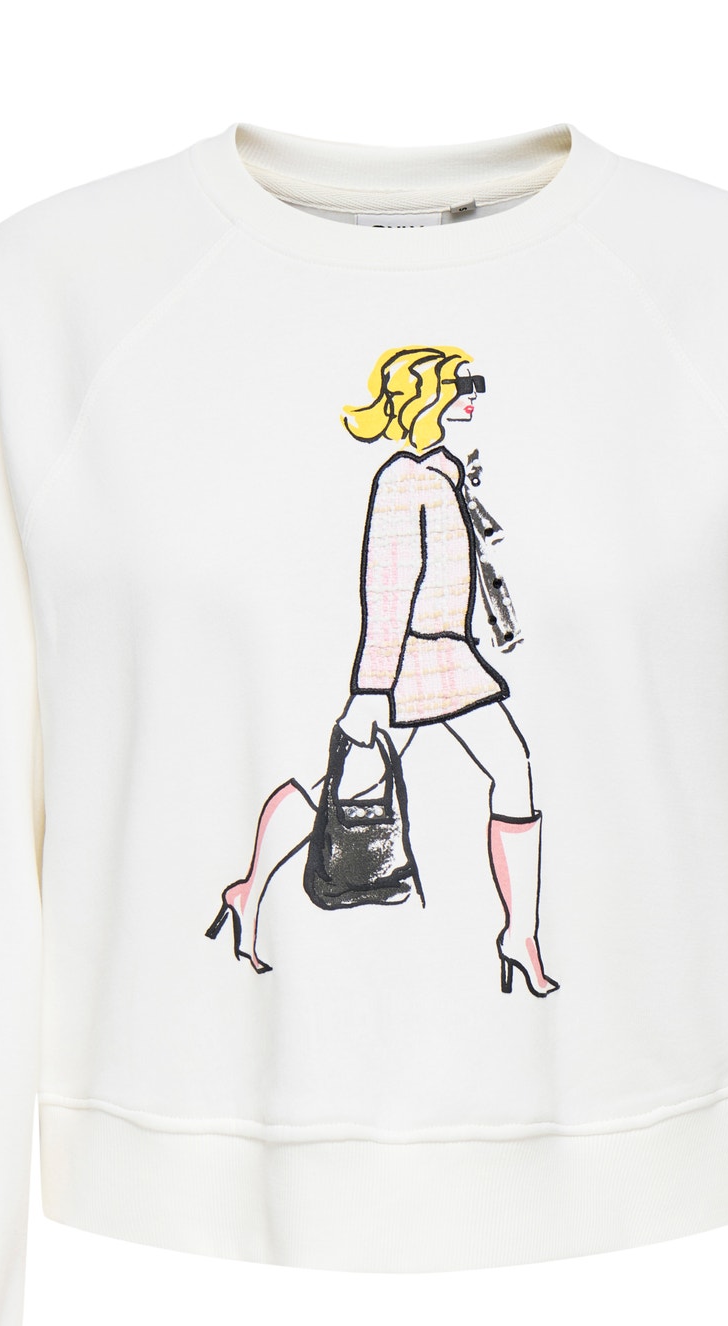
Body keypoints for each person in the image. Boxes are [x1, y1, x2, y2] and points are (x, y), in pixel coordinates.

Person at [205, 344, 559, 997]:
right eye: (460, 385)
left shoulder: (445, 468)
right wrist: (370, 689)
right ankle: (248, 889)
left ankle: (520, 933)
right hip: (413, 660)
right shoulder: (401, 480)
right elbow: (387, 592)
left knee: (495, 768)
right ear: (428, 397)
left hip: (448, 653)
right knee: (345, 787)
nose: (471, 395)